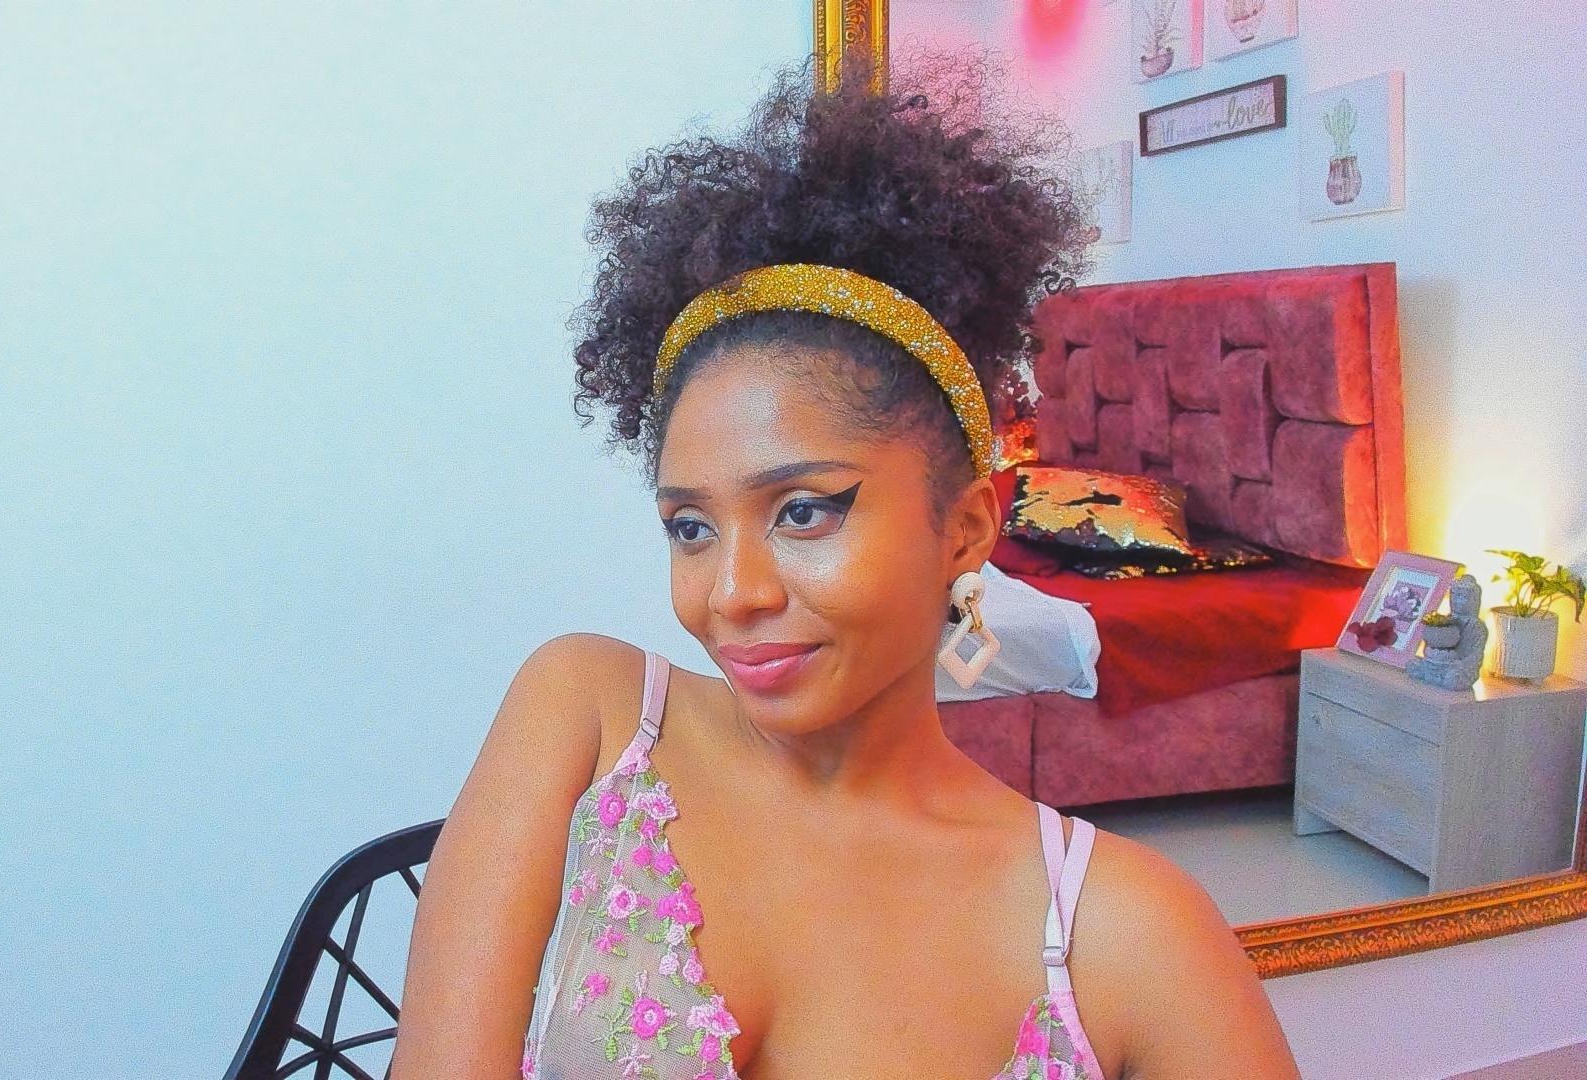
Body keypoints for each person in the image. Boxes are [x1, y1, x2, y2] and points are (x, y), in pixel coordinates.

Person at [392, 48, 1300, 1079]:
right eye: (690, 527)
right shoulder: (589, 718)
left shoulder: (1123, 934)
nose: (733, 594)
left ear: (966, 528)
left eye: (804, 511)